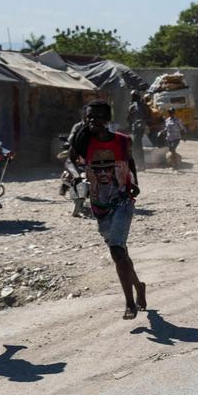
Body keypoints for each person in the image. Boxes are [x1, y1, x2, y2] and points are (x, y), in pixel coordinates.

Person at [69, 100, 146, 319]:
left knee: (116, 251)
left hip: (122, 201)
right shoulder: (84, 141)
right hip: (99, 205)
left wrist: (135, 183)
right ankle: (139, 286)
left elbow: (130, 163)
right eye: (89, 117)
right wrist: (76, 174)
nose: (92, 121)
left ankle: (130, 304)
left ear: (107, 120)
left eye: (97, 117)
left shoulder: (122, 141)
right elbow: (69, 161)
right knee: (121, 253)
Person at [127, 91, 151, 170]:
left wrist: (141, 121)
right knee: (137, 145)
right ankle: (140, 164)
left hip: (139, 128)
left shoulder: (139, 106)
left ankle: (140, 164)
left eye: (133, 96)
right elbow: (130, 118)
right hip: (137, 128)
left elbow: (149, 116)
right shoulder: (135, 105)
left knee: (136, 146)